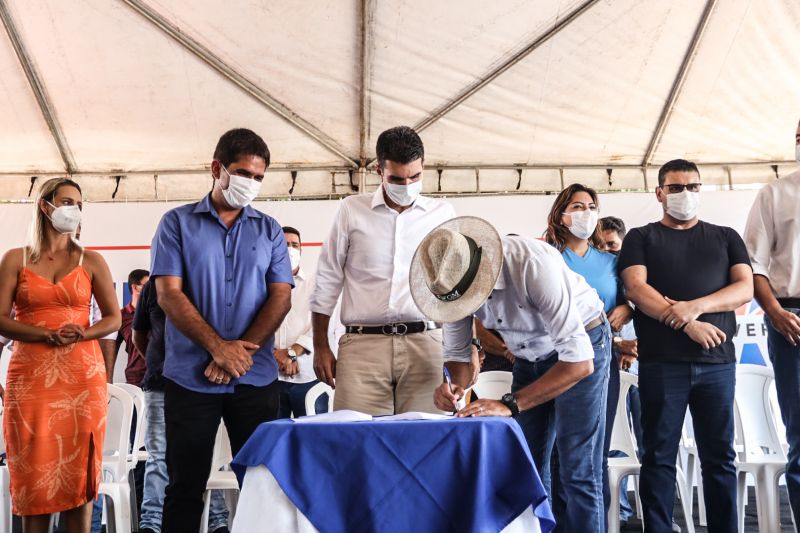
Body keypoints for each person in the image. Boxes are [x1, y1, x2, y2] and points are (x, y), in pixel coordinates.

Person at [419, 216, 611, 532]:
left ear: (482, 273)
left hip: (583, 343)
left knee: (577, 469)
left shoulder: (532, 264)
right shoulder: (449, 282)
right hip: (528, 354)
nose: (468, 306)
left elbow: (579, 363)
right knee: (527, 467)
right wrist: (453, 387)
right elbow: (457, 358)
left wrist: (511, 403)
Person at [150, 128, 293, 533]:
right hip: (191, 379)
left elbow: (280, 297)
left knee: (262, 486)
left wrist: (238, 355)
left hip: (255, 377)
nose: (251, 184)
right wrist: (217, 348)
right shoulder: (175, 223)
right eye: (242, 172)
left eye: (259, 177)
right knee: (184, 486)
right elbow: (169, 295)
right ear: (217, 169)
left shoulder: (269, 230)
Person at [619, 159, 753, 533]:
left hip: (718, 364)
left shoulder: (726, 236)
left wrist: (696, 307)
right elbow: (636, 289)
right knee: (658, 457)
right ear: (659, 193)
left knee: (719, 458)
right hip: (663, 364)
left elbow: (745, 288)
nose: (685, 195)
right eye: (676, 188)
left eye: (693, 187)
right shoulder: (641, 237)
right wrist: (689, 325)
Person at [0, 177, 120, 533]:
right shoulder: (14, 259)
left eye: (79, 205)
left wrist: (84, 331)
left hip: (82, 380)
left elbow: (113, 317)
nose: (74, 210)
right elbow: (1, 319)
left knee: (78, 483)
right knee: (32, 477)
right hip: (30, 380)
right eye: (67, 202)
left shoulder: (92, 260)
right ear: (45, 206)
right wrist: (44, 333)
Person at [310, 126, 455, 415]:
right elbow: (327, 279)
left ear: (423, 166)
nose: (407, 185)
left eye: (415, 177)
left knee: (425, 442)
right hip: (362, 347)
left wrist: (466, 350)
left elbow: (455, 291)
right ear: (379, 170)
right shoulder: (351, 210)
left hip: (425, 344)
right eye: (397, 179)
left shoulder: (442, 214)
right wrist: (321, 346)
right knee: (356, 443)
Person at [544, 184, 634, 531]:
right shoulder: (547, 255)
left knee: (590, 454)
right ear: (561, 214)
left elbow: (630, 298)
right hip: (552, 359)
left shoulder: (612, 261)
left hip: (600, 363)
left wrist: (625, 308)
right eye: (577, 206)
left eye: (591, 206)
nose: (585, 212)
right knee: (551, 452)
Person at [132, 279, 229, 533]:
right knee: (158, 457)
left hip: (200, 384)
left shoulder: (210, 280)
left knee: (204, 455)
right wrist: (160, 364)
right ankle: (151, 524)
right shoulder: (153, 287)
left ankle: (216, 520)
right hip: (160, 384)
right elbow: (139, 334)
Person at [743, 121, 800, 525]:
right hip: (791, 321)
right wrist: (776, 313)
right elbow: (753, 265)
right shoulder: (776, 193)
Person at [276, 226, 327, 418]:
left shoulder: (317, 283)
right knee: (273, 442)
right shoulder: (260, 285)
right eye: (283, 244)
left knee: (312, 441)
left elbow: (323, 325)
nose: (290, 249)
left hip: (308, 376)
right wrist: (276, 355)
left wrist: (290, 353)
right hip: (269, 377)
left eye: (294, 245)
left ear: (301, 250)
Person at [99, 268, 149, 385]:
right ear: (135, 287)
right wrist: (107, 383)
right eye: (149, 285)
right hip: (136, 380)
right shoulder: (120, 316)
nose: (154, 289)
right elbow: (110, 350)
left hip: (160, 378)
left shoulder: (158, 314)